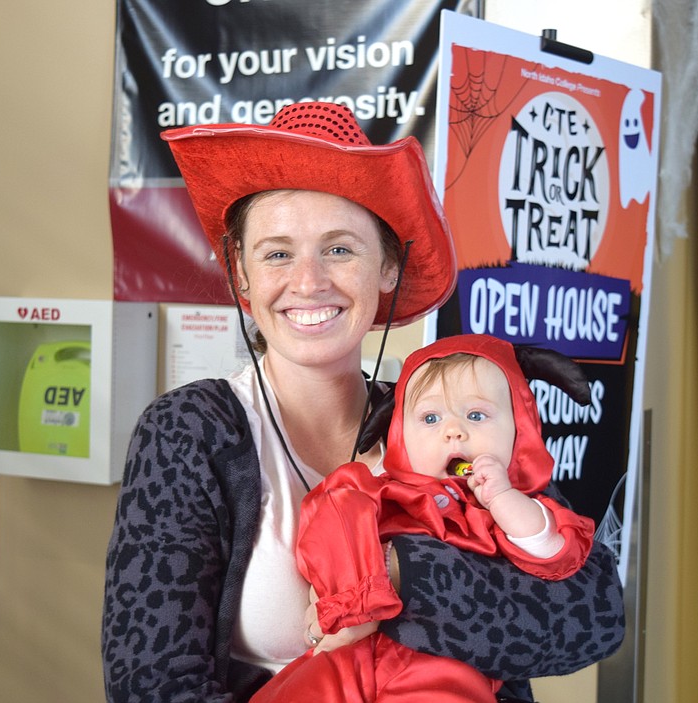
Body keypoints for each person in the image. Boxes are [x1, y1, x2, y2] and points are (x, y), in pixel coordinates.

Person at [102, 102, 625, 703]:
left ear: (388, 267)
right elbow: (150, 686)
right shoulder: (188, 433)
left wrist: (396, 571)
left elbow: (593, 618)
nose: (307, 282)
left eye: (340, 249)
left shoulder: (449, 417)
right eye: (276, 253)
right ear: (240, 276)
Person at [250, 333, 596, 703]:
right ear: (400, 435)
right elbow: (334, 517)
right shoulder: (381, 491)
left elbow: (554, 555)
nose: (453, 430)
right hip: (350, 654)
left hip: (444, 665)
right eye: (430, 418)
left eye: (476, 415)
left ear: (519, 429)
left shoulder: (515, 507)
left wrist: (503, 498)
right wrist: (354, 602)